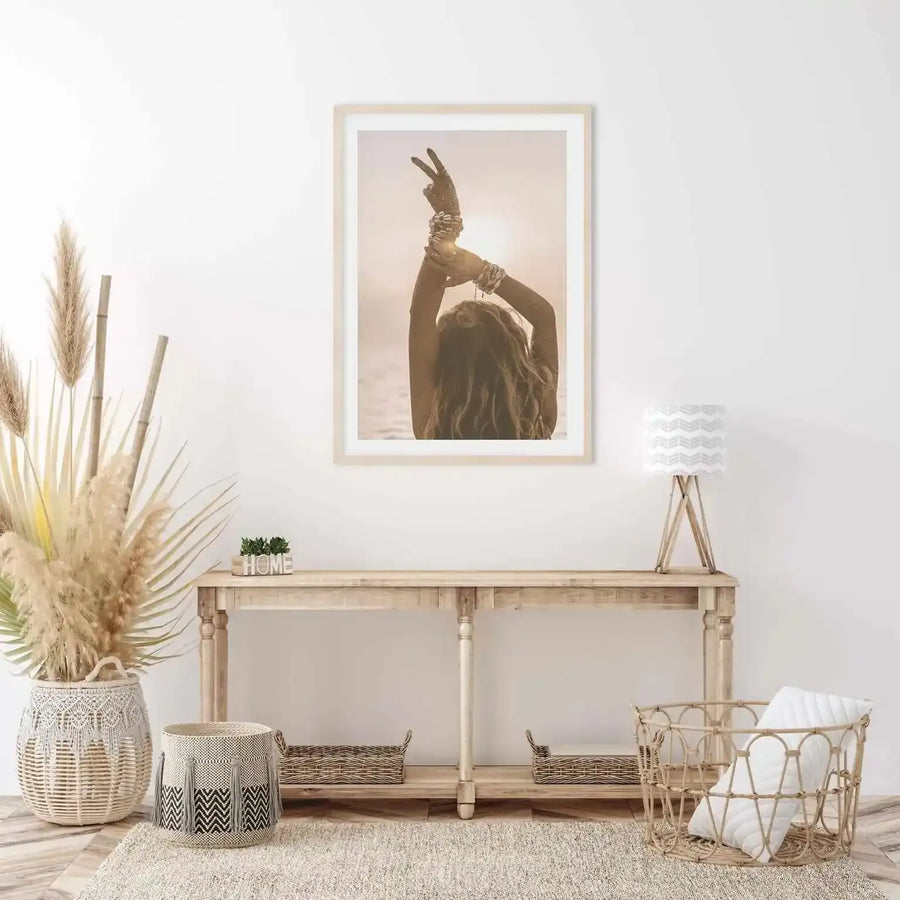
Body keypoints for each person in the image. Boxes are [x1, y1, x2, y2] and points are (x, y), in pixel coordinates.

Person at [408, 149, 559, 440]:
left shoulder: (433, 423)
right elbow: (544, 316)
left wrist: (447, 224)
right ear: (515, 352)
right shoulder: (538, 415)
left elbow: (421, 316)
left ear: (443, 362)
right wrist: (482, 271)